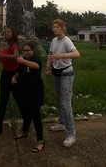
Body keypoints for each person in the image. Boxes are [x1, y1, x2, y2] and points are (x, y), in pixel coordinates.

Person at [46, 19, 80, 147]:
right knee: (59, 100)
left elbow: (77, 54)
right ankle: (61, 122)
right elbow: (50, 55)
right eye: (53, 27)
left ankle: (71, 133)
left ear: (62, 28)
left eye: (57, 27)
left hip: (67, 73)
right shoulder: (54, 41)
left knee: (66, 103)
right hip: (56, 73)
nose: (54, 29)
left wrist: (62, 56)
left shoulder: (66, 40)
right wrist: (48, 68)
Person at [11, 42, 45, 153]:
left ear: (33, 51)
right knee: (25, 113)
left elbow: (36, 66)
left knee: (35, 116)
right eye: (24, 50)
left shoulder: (35, 59)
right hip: (24, 91)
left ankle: (40, 141)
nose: (25, 52)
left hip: (35, 92)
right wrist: (15, 77)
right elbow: (20, 71)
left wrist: (23, 61)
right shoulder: (23, 60)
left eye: (28, 50)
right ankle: (24, 131)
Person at [0, 27, 21, 137]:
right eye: (6, 32)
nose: (6, 33)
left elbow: (16, 56)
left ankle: (26, 123)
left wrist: (2, 55)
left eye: (9, 32)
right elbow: (1, 59)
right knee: (3, 101)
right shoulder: (4, 45)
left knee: (19, 99)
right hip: (5, 74)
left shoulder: (14, 45)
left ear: (13, 34)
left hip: (14, 75)